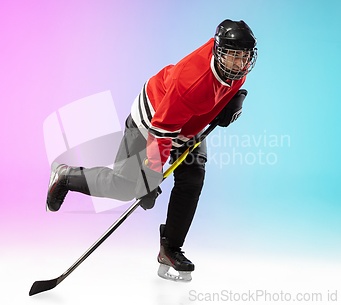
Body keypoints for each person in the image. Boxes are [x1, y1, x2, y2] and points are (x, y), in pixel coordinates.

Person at [46, 19, 257, 282]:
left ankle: (170, 248)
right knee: (126, 187)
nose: (239, 63)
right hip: (152, 120)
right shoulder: (190, 81)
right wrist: (149, 178)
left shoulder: (236, 68)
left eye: (244, 57)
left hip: (186, 125)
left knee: (192, 179)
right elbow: (161, 132)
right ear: (218, 51)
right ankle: (66, 176)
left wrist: (231, 102)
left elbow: (220, 91)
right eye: (233, 56)